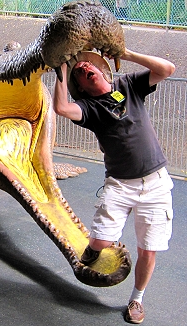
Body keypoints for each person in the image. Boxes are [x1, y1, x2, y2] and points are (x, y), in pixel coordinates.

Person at [53, 49, 175, 324]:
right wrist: (61, 70)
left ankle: (137, 300)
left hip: (155, 184)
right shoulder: (90, 109)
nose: (85, 69)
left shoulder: (129, 86)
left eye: (88, 66)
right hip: (119, 185)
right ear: (81, 87)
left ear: (102, 70)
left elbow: (167, 69)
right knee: (100, 242)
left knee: (148, 249)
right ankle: (96, 247)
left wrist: (126, 53)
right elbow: (61, 108)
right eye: (80, 73)